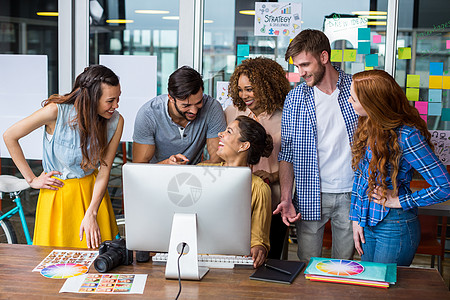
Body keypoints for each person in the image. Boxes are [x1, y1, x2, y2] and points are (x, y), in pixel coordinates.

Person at [3, 65, 123, 248]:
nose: (116, 105)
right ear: (91, 98)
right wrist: (31, 179)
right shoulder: (55, 112)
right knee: (54, 265)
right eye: (110, 100)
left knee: (99, 262)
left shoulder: (116, 121)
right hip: (58, 196)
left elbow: (104, 170)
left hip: (93, 197)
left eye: (118, 98)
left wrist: (91, 213)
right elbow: (10, 136)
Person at [349, 70, 450, 266]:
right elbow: (360, 179)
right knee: (369, 288)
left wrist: (401, 201)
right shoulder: (367, 125)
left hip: (394, 225)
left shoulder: (407, 136)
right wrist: (356, 219)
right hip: (368, 222)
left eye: (354, 98)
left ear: (373, 103)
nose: (350, 100)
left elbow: (445, 187)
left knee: (385, 292)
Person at [273, 29, 358, 262]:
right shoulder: (295, 98)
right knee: (307, 267)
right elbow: (287, 153)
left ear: (323, 57)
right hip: (311, 193)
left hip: (353, 194)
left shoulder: (357, 89)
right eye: (297, 67)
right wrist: (287, 197)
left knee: (345, 267)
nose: (300, 73)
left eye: (305, 65)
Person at [225, 57, 291, 259]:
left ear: (267, 86)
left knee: (268, 258)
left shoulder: (286, 118)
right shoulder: (232, 113)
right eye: (240, 89)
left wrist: (272, 175)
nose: (244, 95)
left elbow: (297, 163)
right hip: (236, 199)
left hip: (273, 201)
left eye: (250, 89)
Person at [201, 116, 273, 268]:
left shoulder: (259, 188)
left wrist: (258, 250)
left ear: (244, 146)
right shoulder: (202, 174)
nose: (220, 134)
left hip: (231, 266)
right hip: (195, 259)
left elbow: (258, 239)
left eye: (228, 131)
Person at [132, 66, 226, 165]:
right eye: (186, 105)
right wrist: (167, 164)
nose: (194, 111)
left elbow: (217, 160)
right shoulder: (148, 114)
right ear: (171, 98)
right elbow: (139, 167)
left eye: (198, 102)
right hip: (156, 176)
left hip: (195, 177)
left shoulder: (212, 107)